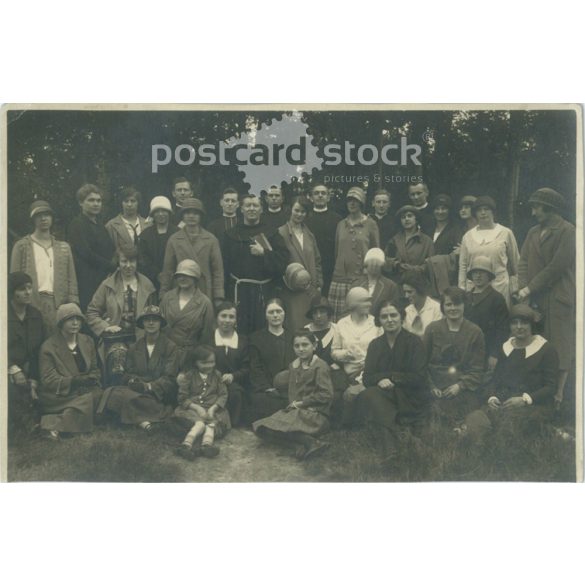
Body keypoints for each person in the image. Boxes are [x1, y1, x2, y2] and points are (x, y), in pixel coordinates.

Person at [462, 304, 559, 442]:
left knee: (508, 428)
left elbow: (551, 387)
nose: (519, 327)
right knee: (477, 417)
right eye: (514, 323)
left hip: (535, 404)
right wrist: (493, 397)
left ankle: (548, 432)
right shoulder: (506, 347)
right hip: (507, 400)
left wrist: (524, 400)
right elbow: (496, 379)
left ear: (532, 325)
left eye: (524, 322)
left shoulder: (546, 349)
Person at [517, 187, 575, 406]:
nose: (533, 212)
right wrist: (524, 289)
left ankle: (559, 396)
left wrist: (528, 289)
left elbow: (556, 268)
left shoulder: (568, 231)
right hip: (535, 298)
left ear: (550, 208)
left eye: (537, 207)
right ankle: (537, 394)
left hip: (558, 298)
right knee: (537, 344)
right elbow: (523, 262)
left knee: (560, 347)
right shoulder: (533, 231)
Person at [359, 301, 429, 459]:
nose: (389, 320)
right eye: (384, 316)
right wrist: (380, 380)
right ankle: (397, 441)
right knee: (371, 394)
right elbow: (367, 378)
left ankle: (391, 445)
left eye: (393, 315)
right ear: (379, 321)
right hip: (385, 394)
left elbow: (419, 377)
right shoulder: (375, 345)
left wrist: (391, 378)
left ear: (401, 317)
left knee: (373, 398)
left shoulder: (414, 342)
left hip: (410, 396)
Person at [253, 330, 333, 460]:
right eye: (297, 346)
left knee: (275, 427)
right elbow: (294, 387)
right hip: (297, 412)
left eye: (305, 345)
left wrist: (303, 403)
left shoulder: (320, 366)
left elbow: (326, 394)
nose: (301, 349)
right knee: (261, 429)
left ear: (314, 346)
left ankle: (311, 442)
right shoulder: (294, 365)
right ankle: (298, 445)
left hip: (316, 415)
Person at [101, 305, 179, 432]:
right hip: (136, 390)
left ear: (161, 323)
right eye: (147, 319)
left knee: (127, 398)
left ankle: (149, 416)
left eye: (155, 319)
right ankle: (145, 422)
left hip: (158, 394)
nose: (151, 323)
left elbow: (169, 378)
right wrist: (134, 382)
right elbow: (128, 373)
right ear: (142, 323)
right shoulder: (134, 347)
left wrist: (148, 386)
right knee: (112, 392)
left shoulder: (170, 347)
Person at [222, 194, 290, 334]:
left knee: (263, 330)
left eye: (255, 205)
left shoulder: (272, 233)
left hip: (264, 292)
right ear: (241, 209)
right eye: (248, 205)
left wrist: (264, 253)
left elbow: (283, 261)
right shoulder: (230, 235)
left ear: (261, 209)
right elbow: (223, 266)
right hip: (239, 293)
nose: (251, 209)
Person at [10, 199, 79, 334]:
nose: (43, 218)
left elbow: (72, 279)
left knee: (56, 343)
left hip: (58, 304)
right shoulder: (22, 246)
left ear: (52, 218)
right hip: (31, 303)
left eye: (47, 214)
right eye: (38, 215)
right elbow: (13, 280)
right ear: (33, 219)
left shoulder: (64, 247)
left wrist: (72, 304)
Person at [38, 304, 103, 439]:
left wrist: (90, 380)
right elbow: (49, 380)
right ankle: (55, 424)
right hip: (62, 393)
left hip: (86, 390)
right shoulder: (48, 347)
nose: (75, 323)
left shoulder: (88, 341)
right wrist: (74, 381)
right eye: (70, 319)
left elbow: (95, 370)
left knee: (100, 396)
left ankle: (53, 423)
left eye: (78, 319)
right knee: (88, 402)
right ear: (61, 323)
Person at [424, 287, 486, 428]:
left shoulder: (475, 332)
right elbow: (422, 363)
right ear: (443, 307)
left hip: (461, 388)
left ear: (464, 305)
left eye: (457, 304)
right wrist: (431, 386)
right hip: (435, 387)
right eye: (448, 304)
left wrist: (460, 386)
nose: (453, 308)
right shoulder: (432, 329)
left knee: (467, 413)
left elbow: (477, 369)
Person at [331, 287, 382, 424]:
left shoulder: (376, 323)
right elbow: (334, 351)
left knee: (351, 395)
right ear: (354, 304)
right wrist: (347, 354)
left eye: (370, 301)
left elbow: (383, 351)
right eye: (365, 301)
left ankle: (351, 424)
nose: (370, 305)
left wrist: (369, 361)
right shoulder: (341, 324)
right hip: (347, 374)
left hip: (370, 373)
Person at [328, 187, 380, 321]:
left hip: (361, 278)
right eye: (349, 200)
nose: (352, 204)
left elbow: (375, 253)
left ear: (362, 203)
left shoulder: (371, 224)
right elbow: (336, 251)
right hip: (339, 280)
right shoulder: (340, 224)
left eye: (355, 201)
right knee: (338, 320)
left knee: (360, 318)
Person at [458, 196, 520, 307]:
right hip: (474, 288)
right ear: (475, 214)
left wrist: (517, 287)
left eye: (486, 209)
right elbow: (463, 266)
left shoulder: (505, 233)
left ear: (493, 212)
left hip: (500, 286)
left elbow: (516, 263)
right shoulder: (468, 236)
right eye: (479, 210)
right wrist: (462, 289)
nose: (483, 213)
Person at [160, 198, 224, 303]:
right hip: (180, 289)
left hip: (204, 291)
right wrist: (163, 294)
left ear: (201, 216)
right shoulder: (174, 239)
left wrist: (218, 296)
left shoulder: (211, 239)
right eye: (187, 213)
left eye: (195, 213)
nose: (191, 216)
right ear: (182, 216)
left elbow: (217, 271)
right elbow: (167, 270)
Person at [7, 272, 46, 441]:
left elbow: (42, 349)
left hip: (32, 368)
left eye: (30, 288)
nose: (28, 292)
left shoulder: (35, 315)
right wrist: (13, 369)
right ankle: (25, 423)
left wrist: (35, 378)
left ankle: (39, 419)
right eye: (22, 289)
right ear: (12, 292)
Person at [173, 345, 230, 460]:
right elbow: (182, 397)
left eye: (212, 362)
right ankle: (185, 446)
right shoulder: (189, 376)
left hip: (212, 408)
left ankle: (206, 446)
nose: (209, 366)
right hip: (192, 409)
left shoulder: (217, 375)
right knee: (199, 424)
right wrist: (197, 408)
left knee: (212, 424)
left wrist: (214, 408)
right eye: (204, 363)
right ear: (195, 362)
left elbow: (223, 394)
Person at [67, 184, 116, 310]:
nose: (96, 204)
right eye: (91, 200)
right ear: (81, 203)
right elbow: (86, 253)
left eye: (98, 201)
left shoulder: (100, 225)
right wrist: (110, 266)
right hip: (86, 280)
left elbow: (110, 249)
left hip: (104, 278)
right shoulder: (77, 224)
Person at [248, 299, 295, 421]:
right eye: (271, 312)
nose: (275, 315)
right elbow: (255, 368)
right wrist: (267, 387)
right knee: (265, 403)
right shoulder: (256, 339)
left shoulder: (293, 337)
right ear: (265, 315)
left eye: (278, 311)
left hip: (289, 388)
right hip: (266, 390)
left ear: (284, 313)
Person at [159, 259, 215, 356]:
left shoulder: (204, 303)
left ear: (195, 278)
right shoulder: (167, 297)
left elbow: (206, 335)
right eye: (179, 275)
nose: (182, 278)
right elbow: (159, 324)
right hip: (165, 352)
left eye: (187, 275)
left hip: (189, 355)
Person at [464, 256, 509, 372]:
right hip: (467, 349)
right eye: (475, 273)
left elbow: (502, 329)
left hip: (487, 349)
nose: (478, 276)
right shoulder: (466, 297)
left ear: (489, 276)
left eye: (482, 273)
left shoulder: (496, 298)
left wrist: (495, 354)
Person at [211, 301, 250, 427]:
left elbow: (247, 367)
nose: (227, 320)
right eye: (223, 316)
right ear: (216, 318)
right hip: (211, 382)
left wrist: (233, 376)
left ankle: (232, 425)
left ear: (236, 320)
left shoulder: (243, 341)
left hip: (234, 384)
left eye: (231, 317)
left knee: (235, 394)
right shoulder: (208, 338)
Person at [278, 195, 323, 290]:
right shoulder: (281, 233)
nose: (299, 214)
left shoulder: (310, 235)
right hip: (291, 288)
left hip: (311, 287)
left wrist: (319, 283)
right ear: (290, 210)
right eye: (297, 210)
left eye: (303, 212)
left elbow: (317, 261)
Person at [305, 183, 342, 296]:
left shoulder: (337, 219)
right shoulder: (305, 219)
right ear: (311, 198)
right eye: (316, 193)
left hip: (332, 269)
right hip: (310, 267)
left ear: (328, 197)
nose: (320, 196)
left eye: (323, 193)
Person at [138, 196, 178, 292]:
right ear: (153, 214)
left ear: (169, 213)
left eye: (164, 211)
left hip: (175, 280)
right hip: (150, 281)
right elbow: (142, 259)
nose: (161, 214)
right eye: (157, 211)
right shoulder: (144, 235)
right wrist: (156, 274)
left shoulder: (178, 233)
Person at [385, 205, 434, 282]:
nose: (406, 219)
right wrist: (396, 265)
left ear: (416, 219)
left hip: (418, 283)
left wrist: (411, 269)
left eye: (409, 216)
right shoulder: (394, 240)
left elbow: (430, 265)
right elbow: (386, 260)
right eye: (403, 217)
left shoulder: (427, 241)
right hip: (398, 282)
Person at [351, 247, 401, 318]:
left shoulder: (390, 286)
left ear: (381, 266)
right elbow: (348, 309)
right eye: (371, 263)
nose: (374, 267)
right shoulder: (356, 284)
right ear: (366, 265)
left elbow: (395, 310)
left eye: (377, 264)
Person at [279, 263, 320, 334]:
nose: (305, 287)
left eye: (306, 284)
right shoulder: (283, 294)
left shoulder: (312, 293)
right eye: (302, 285)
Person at [105, 187, 149, 251]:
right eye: (126, 201)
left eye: (133, 201)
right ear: (121, 203)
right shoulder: (111, 225)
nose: (129, 204)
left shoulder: (147, 224)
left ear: (138, 203)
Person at [402, 271, 443, 337]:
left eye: (410, 292)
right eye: (405, 292)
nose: (406, 296)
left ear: (420, 289)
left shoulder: (437, 309)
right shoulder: (407, 311)